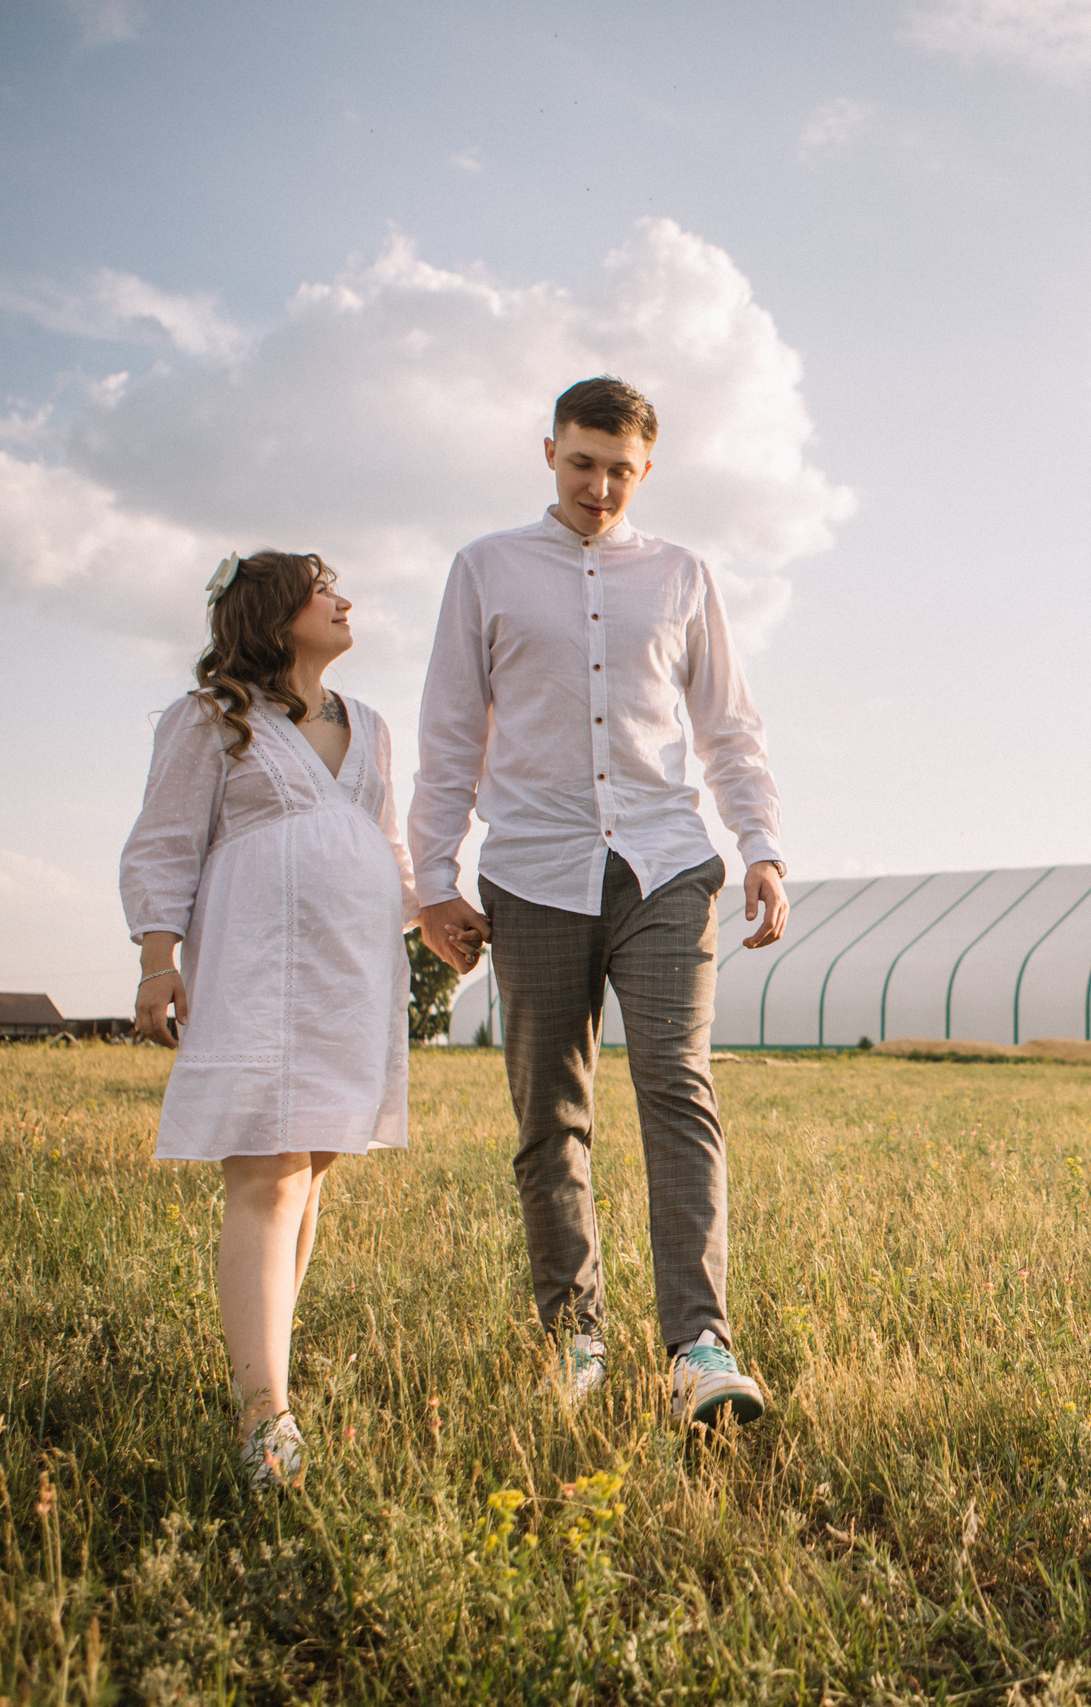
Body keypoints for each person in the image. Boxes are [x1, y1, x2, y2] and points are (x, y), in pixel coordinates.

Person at [412, 375, 788, 1431]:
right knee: (550, 1113)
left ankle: (699, 1348)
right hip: (533, 870)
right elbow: (449, 732)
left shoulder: (681, 575)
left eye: (621, 470)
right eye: (582, 463)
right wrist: (432, 882)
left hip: (666, 864)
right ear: (549, 453)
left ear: (647, 469)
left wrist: (761, 846)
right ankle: (573, 1338)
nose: (600, 486)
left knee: (678, 1088)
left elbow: (728, 726)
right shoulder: (485, 569)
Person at [120, 551, 417, 1489]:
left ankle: (267, 1376)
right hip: (260, 965)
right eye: (324, 590)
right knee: (268, 1171)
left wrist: (440, 917)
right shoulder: (214, 715)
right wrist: (158, 959)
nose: (345, 600)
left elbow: (390, 851)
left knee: (309, 1173)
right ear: (276, 612)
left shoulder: (369, 725)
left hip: (349, 972)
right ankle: (265, 1419)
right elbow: (165, 839)